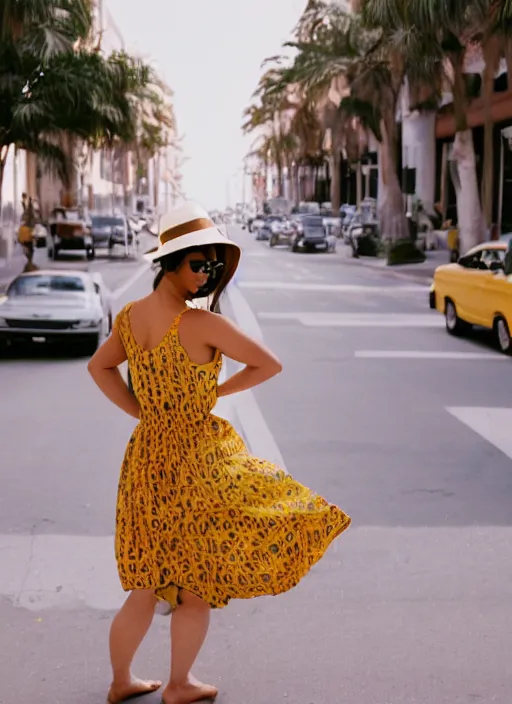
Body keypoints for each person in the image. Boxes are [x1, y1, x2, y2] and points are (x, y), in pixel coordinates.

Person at [88, 201, 351, 704]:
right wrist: (215, 395)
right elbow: (268, 365)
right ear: (170, 262)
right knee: (195, 587)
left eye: (212, 264)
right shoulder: (201, 325)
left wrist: (142, 411)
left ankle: (121, 681)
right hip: (194, 461)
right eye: (198, 263)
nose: (206, 273)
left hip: (145, 460)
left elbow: (98, 369)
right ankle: (179, 685)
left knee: (145, 583)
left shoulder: (129, 317)